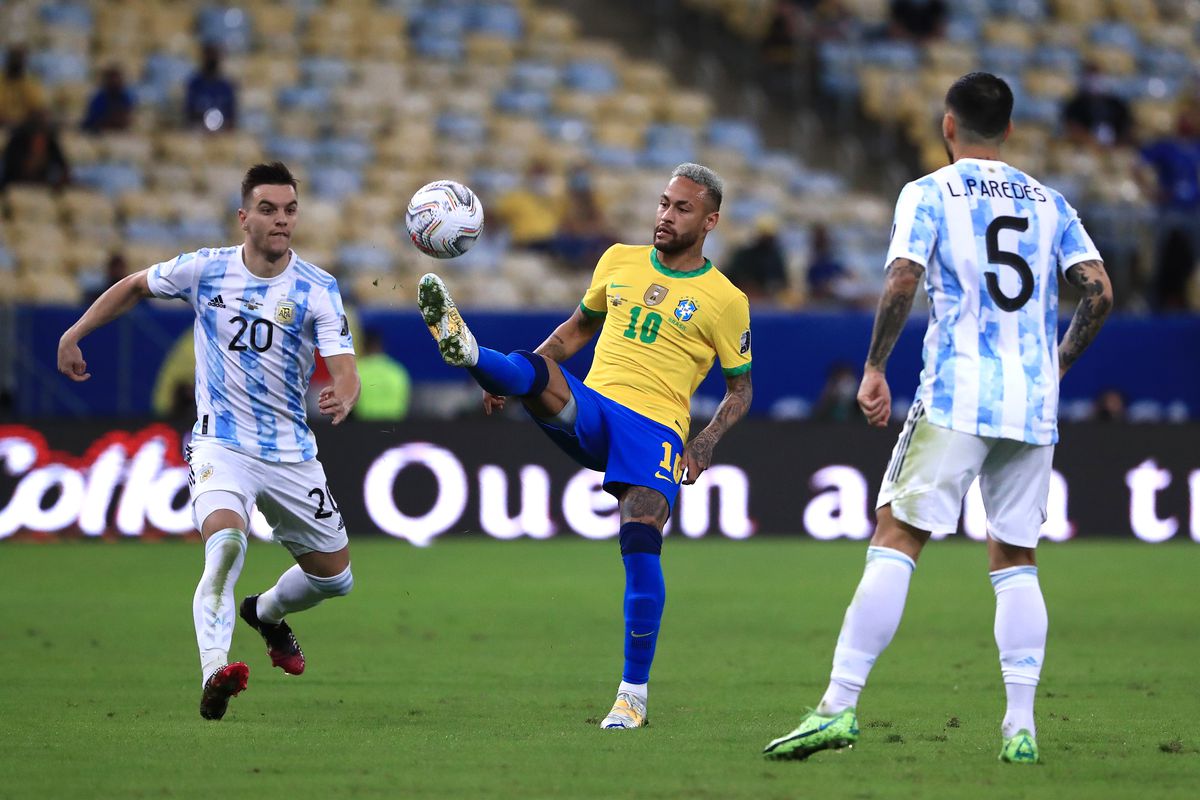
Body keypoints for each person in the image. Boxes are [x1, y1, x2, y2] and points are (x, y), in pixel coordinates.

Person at [763, 73, 1112, 764]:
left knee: (896, 537)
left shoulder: (929, 192)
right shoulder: (1050, 201)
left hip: (958, 393)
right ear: (1008, 130)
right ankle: (1020, 727)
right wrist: (1057, 363)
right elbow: (1099, 292)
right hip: (1031, 403)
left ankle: (837, 707)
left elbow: (900, 280)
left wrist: (872, 369)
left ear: (948, 126)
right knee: (1015, 559)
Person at [417, 162, 752, 729]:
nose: (666, 216)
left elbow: (740, 388)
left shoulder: (726, 300)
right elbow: (573, 332)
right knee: (530, 367)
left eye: (682, 209)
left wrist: (707, 440)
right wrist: (508, 378)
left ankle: (632, 696)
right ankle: (474, 356)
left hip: (657, 432)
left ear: (710, 220)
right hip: (594, 407)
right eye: (664, 203)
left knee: (641, 540)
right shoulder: (617, 259)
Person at [57, 162, 360, 721]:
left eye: (290, 209)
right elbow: (132, 287)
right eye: (268, 209)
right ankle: (216, 671)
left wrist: (345, 391)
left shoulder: (317, 287)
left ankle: (265, 614)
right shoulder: (205, 270)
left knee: (335, 577)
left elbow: (344, 364)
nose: (281, 220)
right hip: (220, 444)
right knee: (225, 544)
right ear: (244, 217)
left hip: (292, 452)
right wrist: (75, 332)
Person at [1138, 102, 1200, 310]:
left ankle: (1190, 298)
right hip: (1169, 209)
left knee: (1193, 259)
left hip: (1194, 210)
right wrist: (1150, 191)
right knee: (1159, 255)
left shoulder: (1197, 146)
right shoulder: (1166, 146)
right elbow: (1138, 164)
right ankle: (1154, 299)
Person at [1062, 63, 1132, 149]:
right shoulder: (1074, 106)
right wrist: (1091, 143)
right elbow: (1072, 129)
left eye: (1097, 77)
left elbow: (1127, 129)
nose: (1093, 82)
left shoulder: (1117, 105)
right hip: (1086, 150)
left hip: (1114, 148)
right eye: (1090, 78)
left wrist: (1116, 144)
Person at [1, 108, 70, 189]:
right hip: (16, 185)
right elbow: (9, 172)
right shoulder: (17, 141)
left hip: (42, 186)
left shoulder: (50, 139)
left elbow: (63, 166)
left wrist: (60, 181)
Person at [725, 215, 789, 301]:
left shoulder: (775, 257)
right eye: (764, 236)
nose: (767, 240)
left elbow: (782, 282)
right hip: (742, 298)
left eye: (769, 236)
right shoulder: (744, 255)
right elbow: (731, 278)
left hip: (768, 302)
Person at [354, 328, 411, 421]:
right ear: (382, 346)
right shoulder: (397, 370)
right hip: (395, 428)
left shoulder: (356, 370)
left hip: (365, 427)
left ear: (362, 347)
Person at [185, 43, 237, 131]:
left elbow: (231, 117)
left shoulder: (226, 87)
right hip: (199, 131)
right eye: (208, 56)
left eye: (214, 57)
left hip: (222, 132)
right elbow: (189, 114)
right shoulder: (195, 85)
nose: (211, 60)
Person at [81, 65, 136, 134]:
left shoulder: (127, 96)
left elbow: (129, 116)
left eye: (116, 79)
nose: (114, 81)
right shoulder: (99, 98)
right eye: (111, 79)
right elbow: (94, 118)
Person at [0, 45, 45, 128]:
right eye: (13, 58)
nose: (16, 61)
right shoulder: (1, 80)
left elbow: (38, 108)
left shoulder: (31, 81)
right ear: (8, 60)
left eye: (19, 58)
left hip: (24, 127)